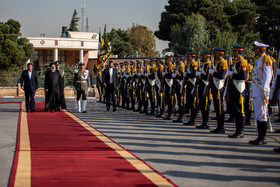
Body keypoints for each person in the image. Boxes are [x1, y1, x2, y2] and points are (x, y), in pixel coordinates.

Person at [249, 41, 273, 145]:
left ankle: (263, 137)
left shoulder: (265, 59)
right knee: (258, 114)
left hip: (261, 91)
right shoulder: (259, 60)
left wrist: (264, 89)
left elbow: (268, 76)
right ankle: (259, 136)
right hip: (256, 91)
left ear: (260, 49)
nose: (255, 51)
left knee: (262, 114)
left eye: (256, 49)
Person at [227, 45, 247, 138]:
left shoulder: (242, 62)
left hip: (240, 89)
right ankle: (237, 131)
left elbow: (243, 76)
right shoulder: (237, 62)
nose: (234, 54)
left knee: (240, 111)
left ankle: (240, 131)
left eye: (235, 52)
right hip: (235, 89)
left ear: (238, 52)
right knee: (236, 110)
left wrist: (232, 75)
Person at [206, 47, 228, 133]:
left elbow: (222, 75)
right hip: (215, 88)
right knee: (217, 107)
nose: (215, 55)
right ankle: (219, 126)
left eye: (216, 54)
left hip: (219, 88)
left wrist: (213, 73)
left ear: (219, 54)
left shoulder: (223, 63)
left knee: (219, 108)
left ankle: (221, 127)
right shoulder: (218, 63)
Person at [196, 50, 213, 129]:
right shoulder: (205, 65)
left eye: (203, 55)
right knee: (202, 106)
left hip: (206, 87)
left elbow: (208, 77)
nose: (202, 57)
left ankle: (205, 123)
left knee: (205, 106)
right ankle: (203, 122)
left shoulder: (209, 65)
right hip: (202, 87)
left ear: (206, 56)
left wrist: (200, 74)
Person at [183, 52, 198, 126]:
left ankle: (192, 119)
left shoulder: (194, 64)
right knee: (190, 102)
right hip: (189, 85)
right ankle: (191, 119)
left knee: (193, 103)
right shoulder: (190, 65)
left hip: (192, 85)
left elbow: (194, 75)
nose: (188, 58)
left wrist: (186, 74)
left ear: (192, 57)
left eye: (189, 57)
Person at [173, 54, 185, 123]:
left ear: (180, 59)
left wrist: (176, 76)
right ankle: (179, 117)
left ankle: (181, 117)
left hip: (180, 86)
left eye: (177, 58)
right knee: (179, 102)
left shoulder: (182, 66)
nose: (176, 60)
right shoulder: (179, 67)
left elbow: (182, 77)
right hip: (178, 86)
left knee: (181, 102)